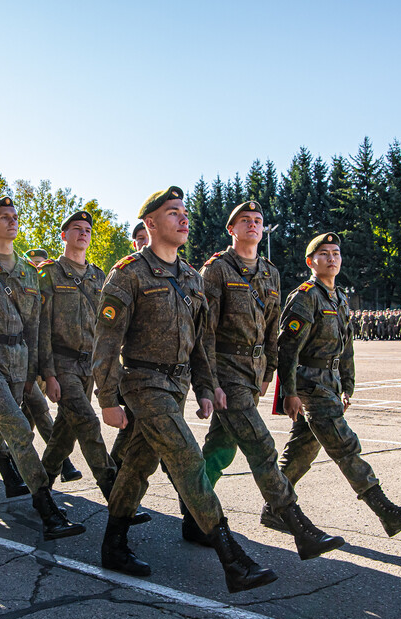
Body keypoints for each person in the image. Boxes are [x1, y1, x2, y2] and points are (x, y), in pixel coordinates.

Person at [93, 186, 276, 593]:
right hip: (143, 383)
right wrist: (107, 399)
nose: (183, 218)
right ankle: (232, 558)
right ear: (151, 223)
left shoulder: (192, 278)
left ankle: (114, 544)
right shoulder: (129, 274)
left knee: (138, 465)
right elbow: (105, 343)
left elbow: (199, 343)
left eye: (184, 212)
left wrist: (206, 387)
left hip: (175, 387)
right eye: (173, 212)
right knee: (188, 459)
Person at [200, 201, 344, 559]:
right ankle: (295, 523)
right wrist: (209, 382)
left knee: (221, 447)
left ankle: (193, 514)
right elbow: (204, 331)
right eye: (245, 220)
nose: (253, 225)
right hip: (226, 371)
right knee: (261, 446)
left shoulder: (270, 272)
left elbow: (271, 328)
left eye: (258, 221)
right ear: (231, 229)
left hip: (252, 373)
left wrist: (267, 373)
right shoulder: (216, 269)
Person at [0, 195, 83, 540]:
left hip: (18, 362)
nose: (12, 221)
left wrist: (34, 372)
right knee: (20, 429)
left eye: (15, 216)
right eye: (4, 217)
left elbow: (36, 326)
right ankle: (47, 510)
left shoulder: (27, 271)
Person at [275, 233, 401, 537]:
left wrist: (347, 385)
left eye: (336, 253)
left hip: (329, 382)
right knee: (345, 445)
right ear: (310, 261)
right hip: (310, 384)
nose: (332, 258)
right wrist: (289, 392)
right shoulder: (306, 296)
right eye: (324, 253)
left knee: (302, 450)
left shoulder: (339, 297)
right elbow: (287, 349)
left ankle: (274, 507)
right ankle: (386, 511)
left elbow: (347, 346)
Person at [37, 210, 117, 496]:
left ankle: (41, 487)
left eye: (87, 230)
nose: (83, 233)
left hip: (89, 366)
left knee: (64, 432)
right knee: (87, 421)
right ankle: (114, 491)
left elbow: (107, 326)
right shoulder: (48, 273)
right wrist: (48, 374)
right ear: (64, 235)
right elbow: (41, 327)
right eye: (77, 228)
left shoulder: (98, 276)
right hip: (62, 363)